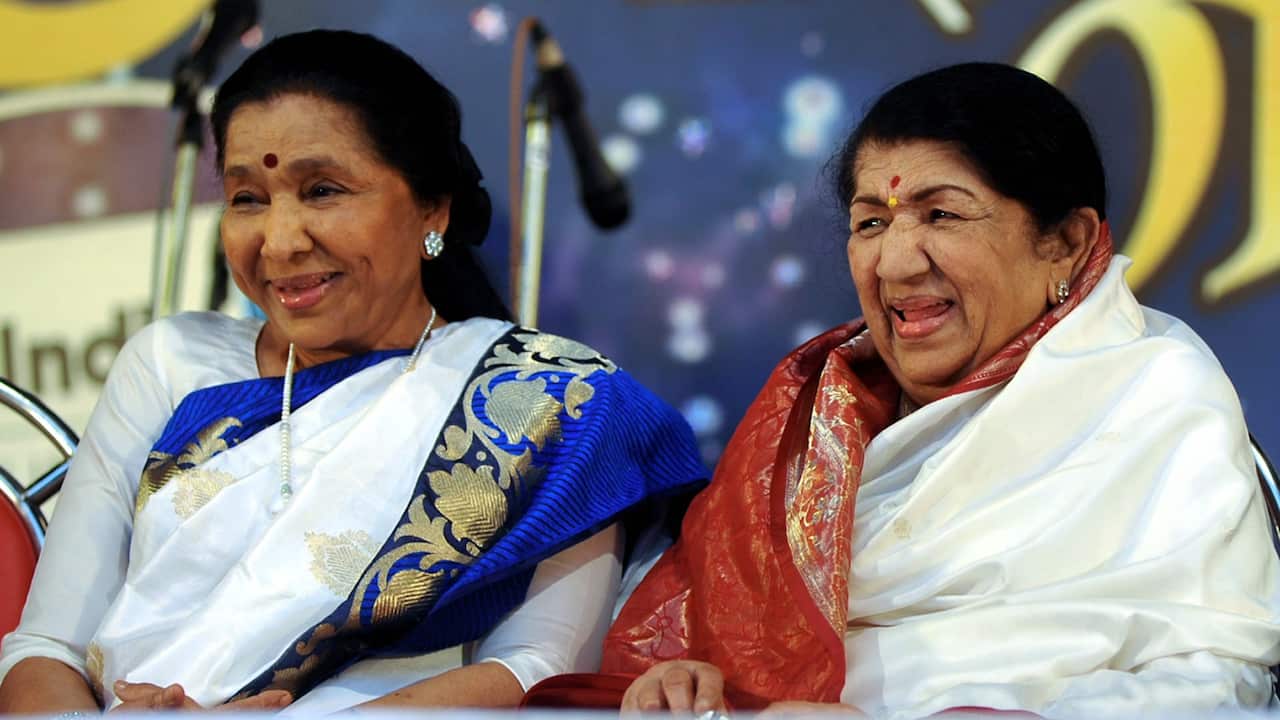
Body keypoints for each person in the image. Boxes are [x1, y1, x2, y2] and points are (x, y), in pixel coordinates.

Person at [525, 62, 1280, 718]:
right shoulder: (816, 412)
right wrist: (684, 682)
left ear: (1068, 242)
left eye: (940, 214)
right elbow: (700, 636)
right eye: (871, 221)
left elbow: (1216, 689)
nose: (893, 264)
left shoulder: (1151, 396)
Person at [0, 30, 705, 714]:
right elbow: (45, 647)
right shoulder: (169, 364)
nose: (278, 241)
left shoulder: (549, 403)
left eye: (323, 191)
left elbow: (534, 670)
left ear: (432, 207)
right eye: (248, 198)